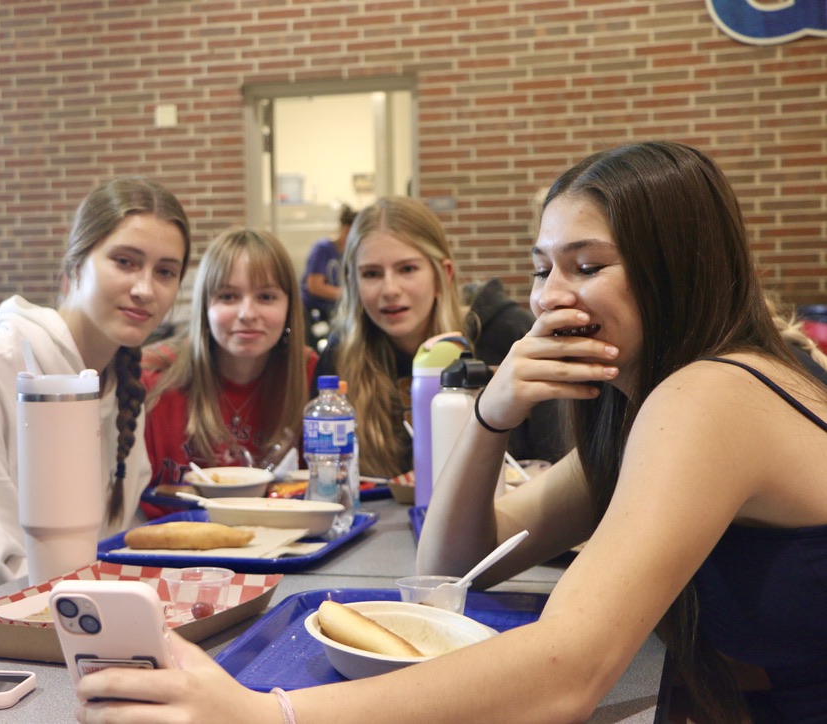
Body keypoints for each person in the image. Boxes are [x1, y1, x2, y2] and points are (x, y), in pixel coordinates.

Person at [66, 142, 827, 723]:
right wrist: (492, 414)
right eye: (541, 268)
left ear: (679, 269)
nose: (550, 298)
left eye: (586, 265)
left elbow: (571, 668)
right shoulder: (643, 406)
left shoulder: (709, 396)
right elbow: (450, 566)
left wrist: (272, 713)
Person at [0, 177, 190, 616]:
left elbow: (111, 544)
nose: (145, 289)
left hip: (77, 622)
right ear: (77, 263)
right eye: (125, 261)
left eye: (165, 272)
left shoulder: (123, 385)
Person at [313, 196, 565, 477]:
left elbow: (559, 466)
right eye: (371, 274)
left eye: (407, 269)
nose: (390, 290)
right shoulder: (340, 358)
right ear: (353, 282)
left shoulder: (510, 335)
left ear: (443, 274)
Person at [142, 228, 317, 488]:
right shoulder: (153, 378)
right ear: (205, 307)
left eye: (266, 297)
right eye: (228, 296)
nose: (247, 313)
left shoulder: (312, 376)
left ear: (289, 308)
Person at [300, 204, 356, 347]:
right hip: (314, 312)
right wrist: (346, 294)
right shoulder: (323, 249)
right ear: (345, 229)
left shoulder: (350, 254)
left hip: (334, 312)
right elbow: (314, 286)